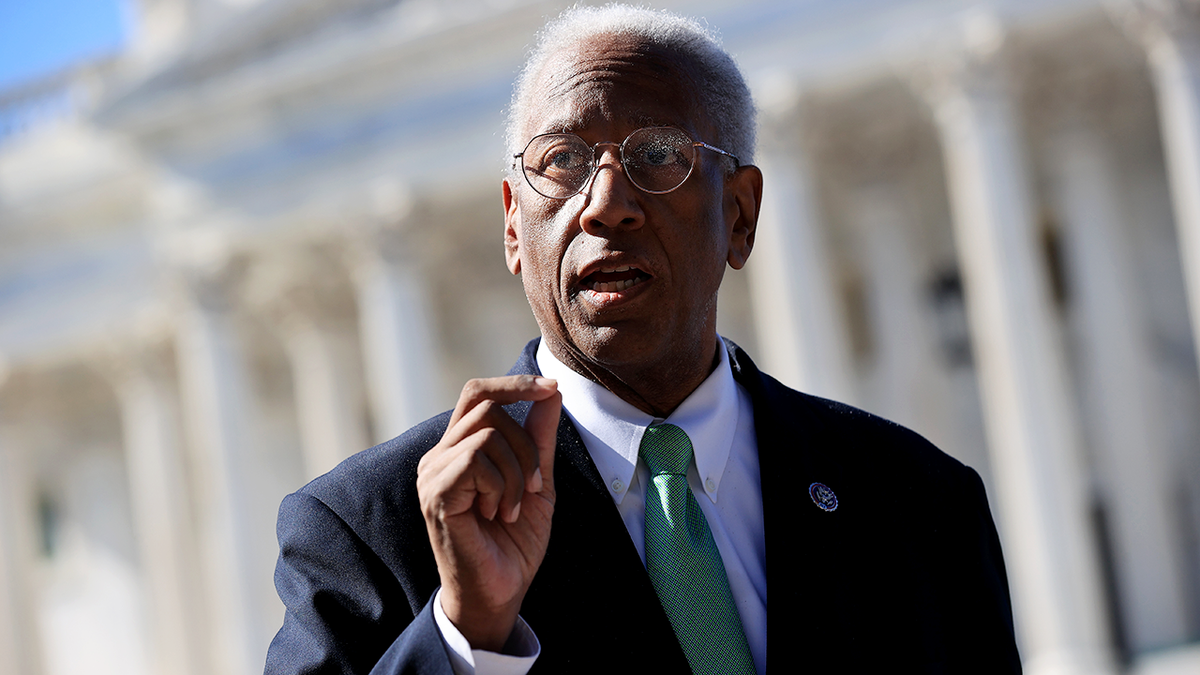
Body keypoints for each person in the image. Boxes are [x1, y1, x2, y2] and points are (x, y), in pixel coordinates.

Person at [265, 5, 1021, 674]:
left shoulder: (917, 503)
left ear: (740, 214)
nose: (605, 205)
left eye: (658, 154)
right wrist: (466, 637)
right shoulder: (373, 528)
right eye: (561, 161)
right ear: (511, 227)